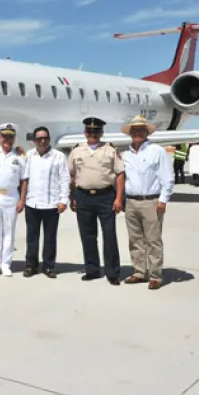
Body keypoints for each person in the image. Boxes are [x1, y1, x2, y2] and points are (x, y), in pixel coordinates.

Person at [68, 117, 125, 285]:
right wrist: (73, 197)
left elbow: (120, 174)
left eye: (96, 132)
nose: (93, 135)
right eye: (90, 131)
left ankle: (112, 272)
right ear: (85, 133)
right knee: (87, 236)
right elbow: (71, 175)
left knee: (109, 236)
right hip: (83, 197)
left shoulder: (110, 150)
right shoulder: (77, 150)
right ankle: (92, 269)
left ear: (101, 133)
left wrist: (119, 198)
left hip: (106, 197)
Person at [120, 115, 174, 290]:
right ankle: (139, 272)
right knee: (135, 239)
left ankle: (156, 275)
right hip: (131, 202)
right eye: (134, 130)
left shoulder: (157, 151)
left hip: (151, 201)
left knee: (153, 240)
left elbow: (168, 178)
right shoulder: (124, 154)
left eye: (140, 129)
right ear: (130, 133)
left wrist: (163, 200)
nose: (137, 133)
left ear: (146, 132)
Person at [22, 126, 70, 278]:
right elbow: (24, 178)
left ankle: (48, 266)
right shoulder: (29, 155)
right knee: (32, 237)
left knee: (50, 238)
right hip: (32, 203)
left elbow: (64, 179)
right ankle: (31, 265)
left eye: (45, 138)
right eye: (38, 139)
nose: (42, 141)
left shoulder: (58, 156)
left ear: (49, 139)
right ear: (34, 140)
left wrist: (63, 200)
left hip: (51, 204)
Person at [0, 123, 27, 277]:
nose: (7, 139)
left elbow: (24, 180)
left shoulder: (20, 157)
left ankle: (6, 264)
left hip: (11, 196)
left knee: (9, 232)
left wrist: (22, 200)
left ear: (14, 138)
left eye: (11, 136)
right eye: (5, 136)